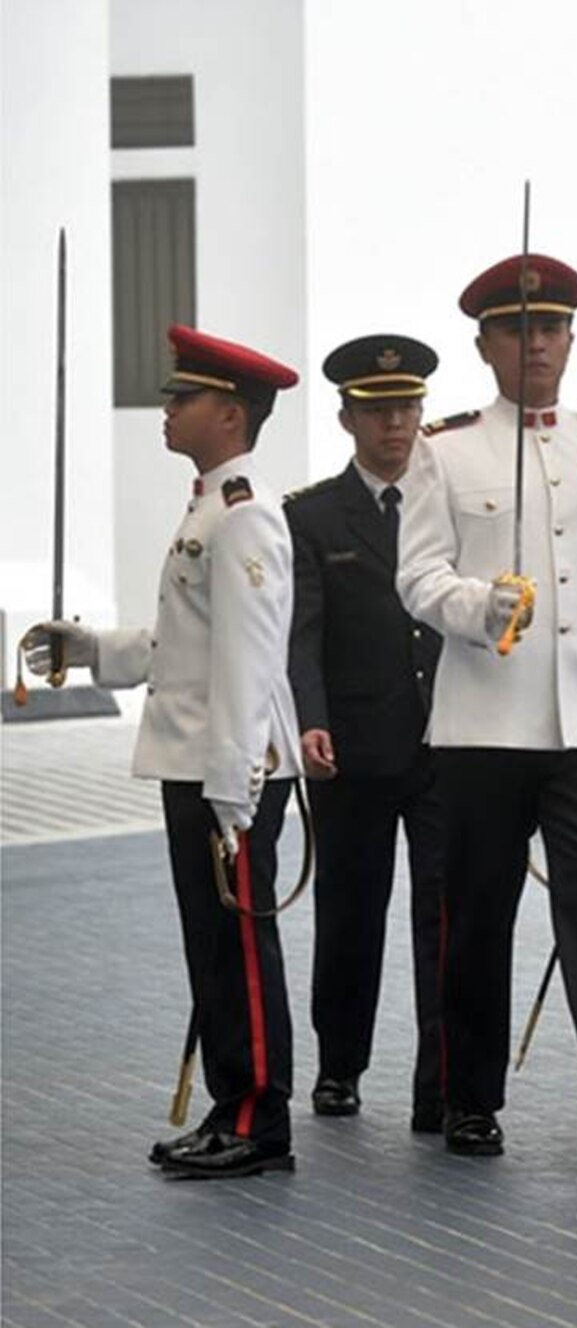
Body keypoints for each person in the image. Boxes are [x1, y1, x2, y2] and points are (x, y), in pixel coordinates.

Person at [396, 252, 577, 1170]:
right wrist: (478, 608)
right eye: (518, 330)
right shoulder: (444, 448)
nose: (537, 345)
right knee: (478, 916)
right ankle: (470, 1098)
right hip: (482, 722)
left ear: (570, 339)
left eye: (550, 329)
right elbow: (418, 577)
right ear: (486, 344)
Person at [27, 325, 302, 1178]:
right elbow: (185, 646)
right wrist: (93, 649)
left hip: (228, 769)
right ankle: (232, 1105)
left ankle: (257, 1118)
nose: (167, 408)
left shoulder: (246, 518)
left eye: (181, 397)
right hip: (200, 762)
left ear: (228, 412)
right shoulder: (209, 507)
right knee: (212, 946)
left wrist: (231, 785)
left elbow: (250, 663)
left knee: (239, 952)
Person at [285, 334, 446, 1133]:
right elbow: (300, 635)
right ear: (348, 417)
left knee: (447, 915)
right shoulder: (311, 515)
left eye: (408, 409)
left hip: (450, 741)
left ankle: (442, 1077)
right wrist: (310, 721)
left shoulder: (452, 502)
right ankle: (339, 1065)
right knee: (352, 911)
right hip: (352, 744)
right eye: (379, 411)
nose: (396, 426)